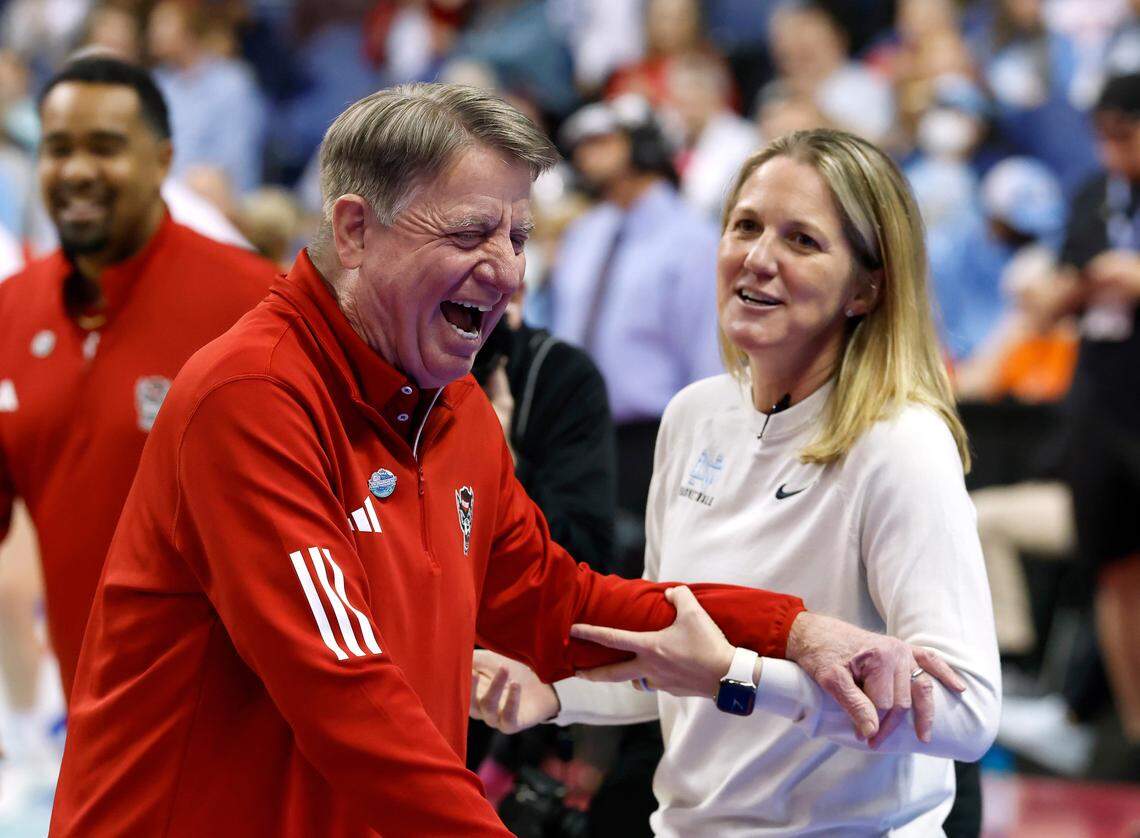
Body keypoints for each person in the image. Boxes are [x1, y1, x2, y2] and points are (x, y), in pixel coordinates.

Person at [50, 84, 961, 837]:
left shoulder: (452, 411)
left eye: (519, 237)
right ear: (357, 231)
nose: (509, 270)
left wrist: (794, 630)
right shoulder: (253, 397)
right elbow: (344, 691)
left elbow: (562, 606)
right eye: (471, 234)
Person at [472, 128, 1001, 836]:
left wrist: (743, 679)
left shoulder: (899, 444)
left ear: (867, 288)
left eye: (802, 241)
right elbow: (671, 658)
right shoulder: (693, 416)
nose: (757, 258)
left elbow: (965, 716)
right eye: (745, 226)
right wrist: (552, 692)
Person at [0, 54, 276, 715]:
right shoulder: (10, 313)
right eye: (58, 148)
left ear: (162, 160)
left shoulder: (260, 304)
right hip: (91, 724)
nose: (77, 171)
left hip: (245, 723)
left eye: (105, 147)